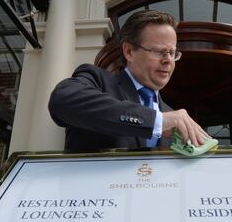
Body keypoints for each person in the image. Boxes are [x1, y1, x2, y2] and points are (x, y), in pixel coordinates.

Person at [49, 10, 208, 152]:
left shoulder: (171, 116)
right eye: (159, 51)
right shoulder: (98, 80)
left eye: (172, 53)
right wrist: (156, 121)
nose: (168, 61)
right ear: (129, 51)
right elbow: (62, 100)